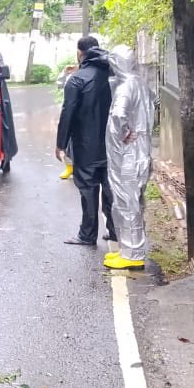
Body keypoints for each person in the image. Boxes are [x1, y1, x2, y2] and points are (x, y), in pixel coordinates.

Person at [56, 35, 117, 247]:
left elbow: (68, 113)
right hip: (112, 145)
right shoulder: (114, 76)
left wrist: (61, 144)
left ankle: (87, 235)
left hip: (85, 146)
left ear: (79, 53)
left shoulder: (77, 79)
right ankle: (115, 231)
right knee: (110, 189)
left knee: (88, 189)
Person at [103, 44, 154, 270]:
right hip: (139, 152)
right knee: (131, 203)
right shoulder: (140, 83)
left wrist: (124, 133)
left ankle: (132, 254)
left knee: (127, 204)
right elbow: (153, 104)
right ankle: (127, 249)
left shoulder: (125, 87)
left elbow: (118, 114)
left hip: (129, 156)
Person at [55, 63, 77, 180]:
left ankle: (78, 168)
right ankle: (69, 168)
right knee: (68, 143)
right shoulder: (71, 75)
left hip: (82, 115)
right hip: (68, 112)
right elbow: (59, 85)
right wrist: (64, 72)